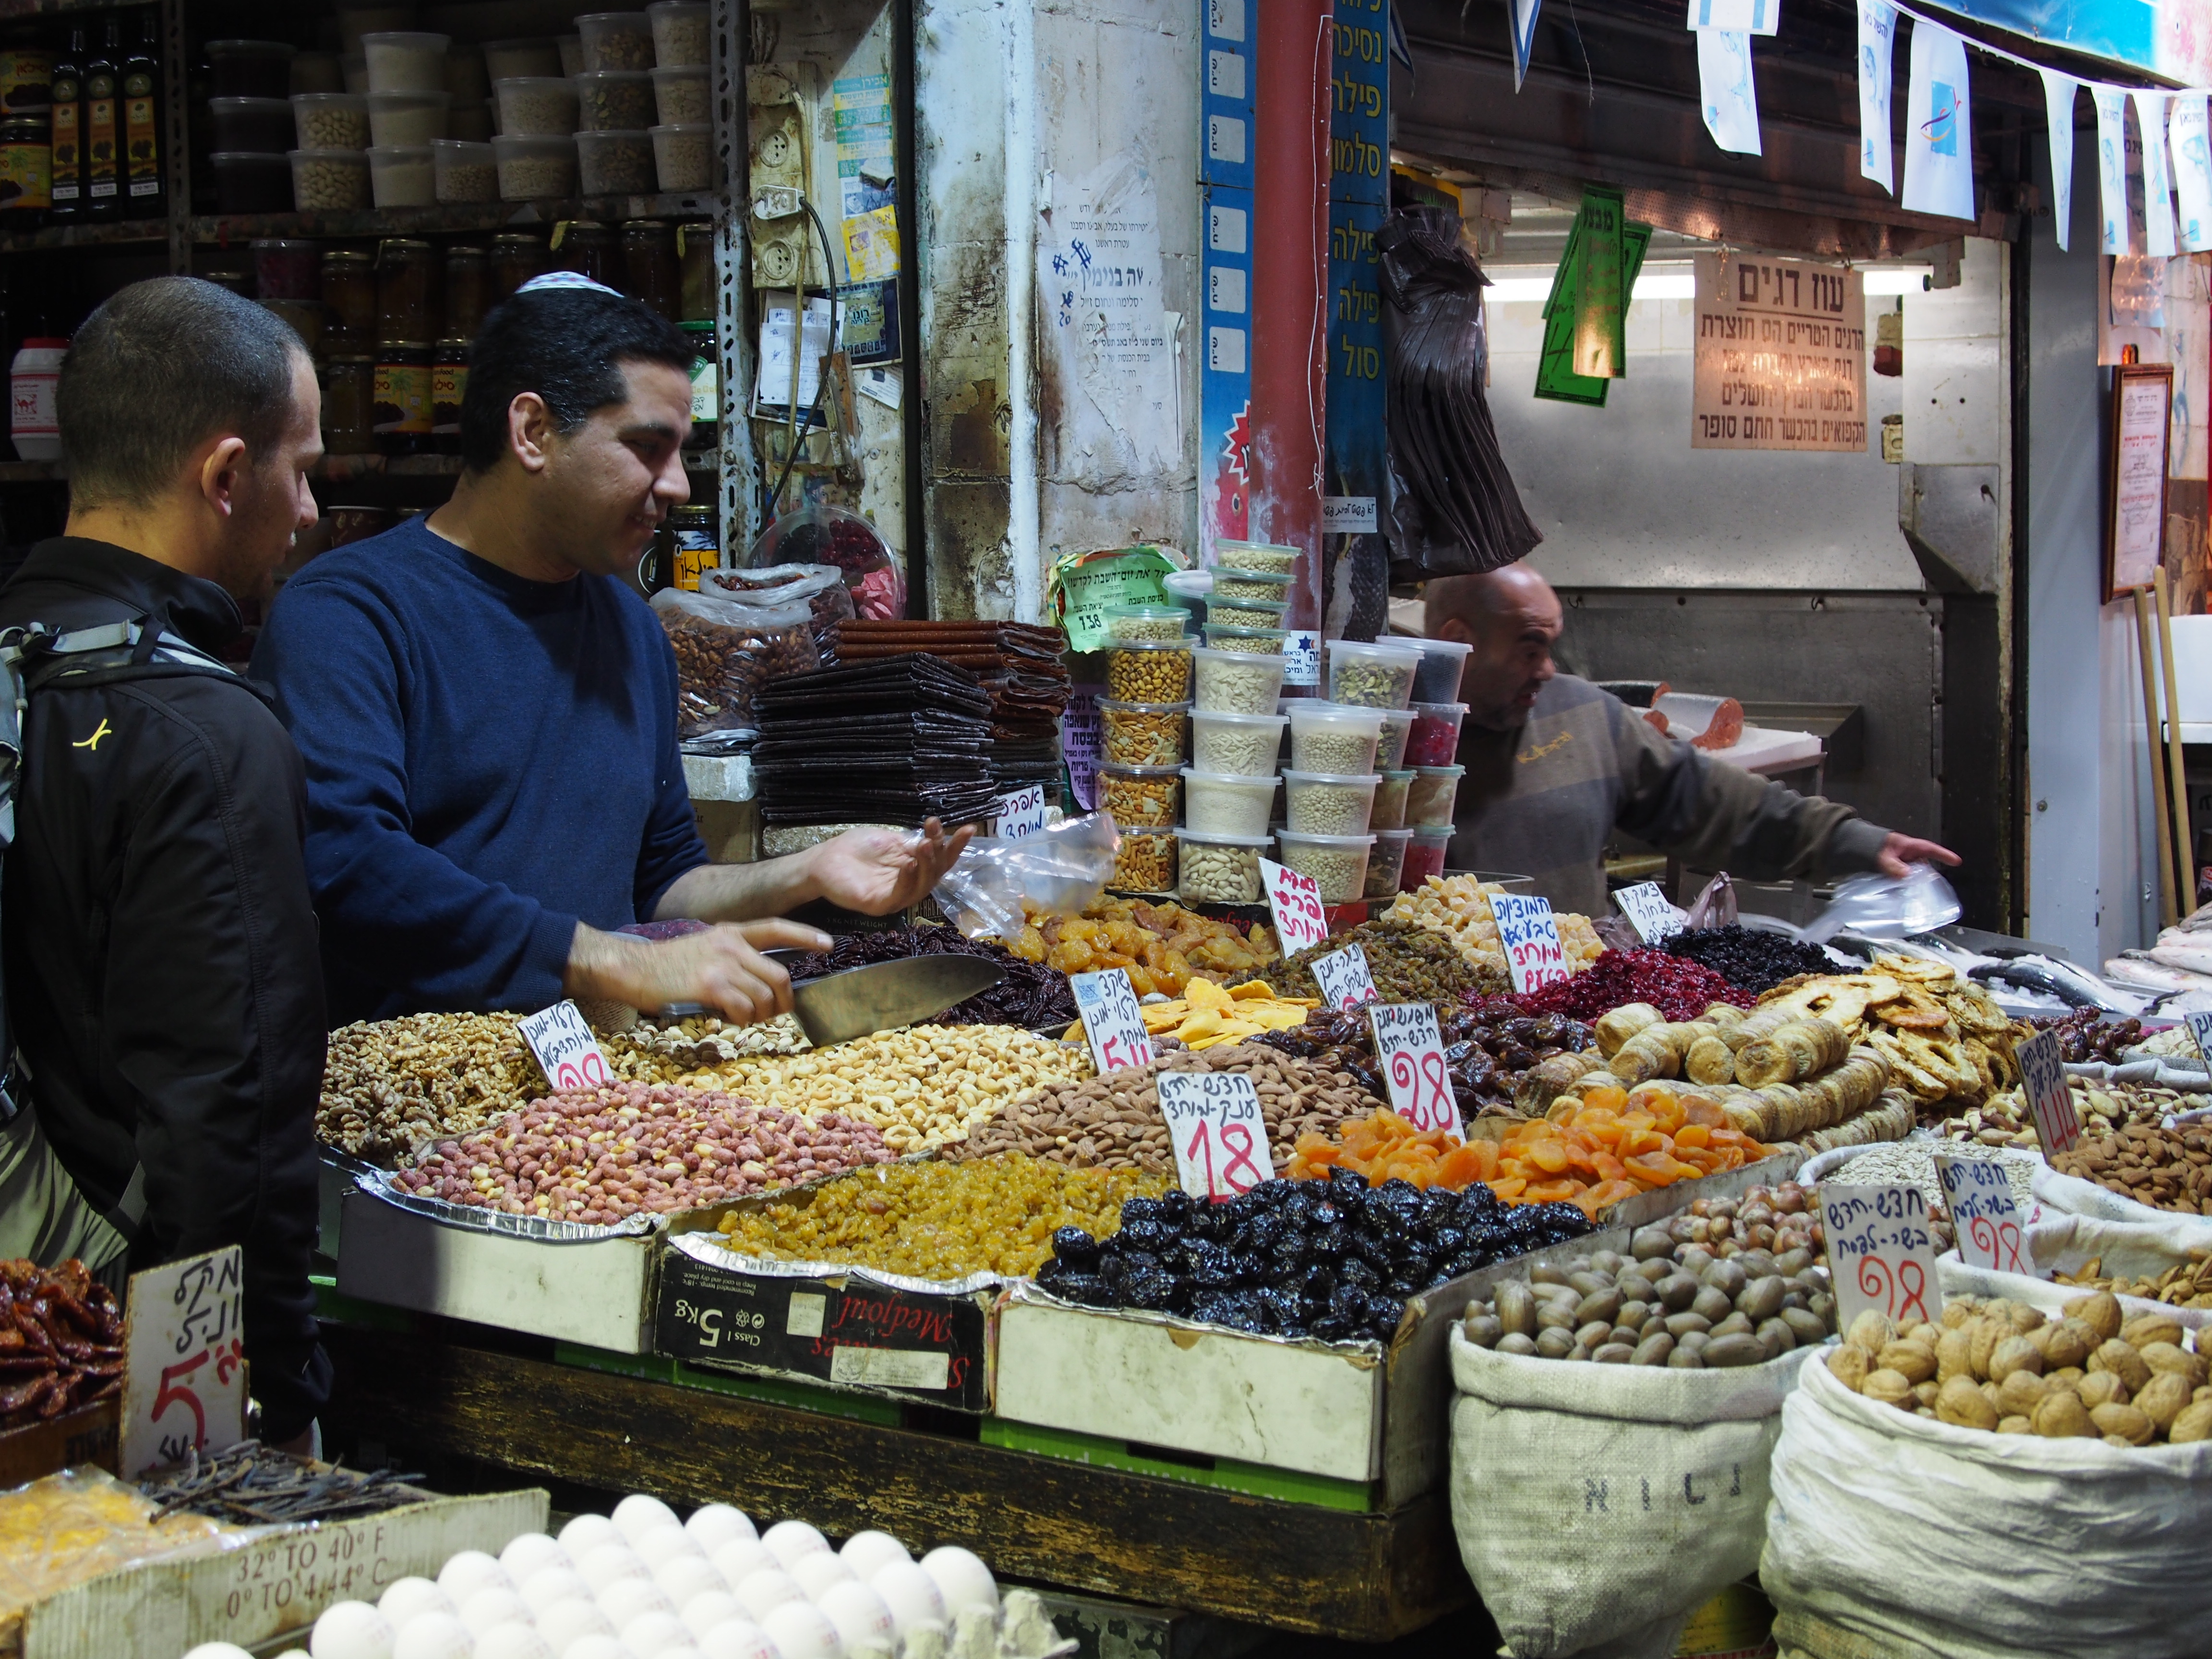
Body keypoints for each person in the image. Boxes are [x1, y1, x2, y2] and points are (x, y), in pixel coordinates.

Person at [253, 279, 969, 1027]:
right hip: (423, 1080)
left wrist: (805, 871)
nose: (678, 485)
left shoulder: (633, 631)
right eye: (647, 448)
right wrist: (612, 960)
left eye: (680, 453)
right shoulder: (350, 616)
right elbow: (350, 866)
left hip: (598, 1079)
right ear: (532, 432)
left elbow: (662, 879)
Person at [0, 277, 329, 1447]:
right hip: (114, 1342)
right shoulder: (205, 736)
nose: (309, 510)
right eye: (300, 470)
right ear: (225, 473)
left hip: (21, 1328)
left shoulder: (17, 667)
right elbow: (227, 1121)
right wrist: (268, 1396)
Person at [1422, 564, 1957, 914]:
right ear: (1459, 641)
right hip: (1441, 1020)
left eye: (1550, 647)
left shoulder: (1582, 715)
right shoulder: (1389, 742)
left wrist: (1858, 843)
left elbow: (1714, 805)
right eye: (1529, 649)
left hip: (1569, 1020)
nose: (1547, 669)